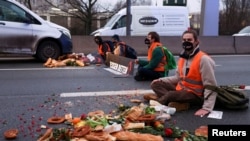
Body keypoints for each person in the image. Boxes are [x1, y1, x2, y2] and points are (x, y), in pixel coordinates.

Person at [145, 29, 217, 117]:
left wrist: (207, 108)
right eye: (184, 40)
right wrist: (160, 80)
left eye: (189, 40)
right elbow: (177, 77)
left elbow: (210, 85)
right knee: (155, 84)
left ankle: (155, 106)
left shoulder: (203, 59)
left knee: (171, 95)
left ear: (196, 42)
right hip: (182, 89)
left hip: (196, 94)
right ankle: (178, 103)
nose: (186, 42)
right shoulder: (183, 57)